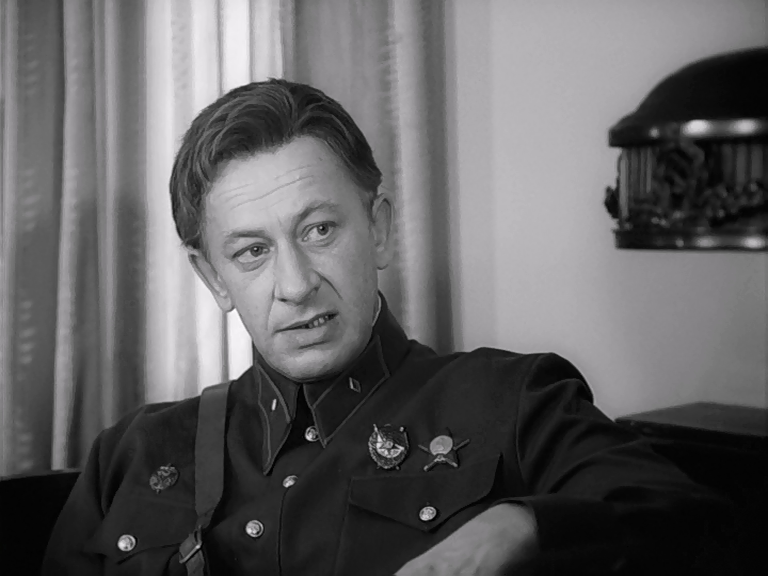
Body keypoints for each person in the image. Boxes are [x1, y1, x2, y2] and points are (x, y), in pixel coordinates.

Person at [42, 79, 732, 576]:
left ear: (378, 229)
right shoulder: (131, 455)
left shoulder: (512, 403)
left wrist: (520, 525)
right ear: (213, 278)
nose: (295, 284)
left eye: (319, 230)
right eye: (252, 251)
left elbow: (693, 523)